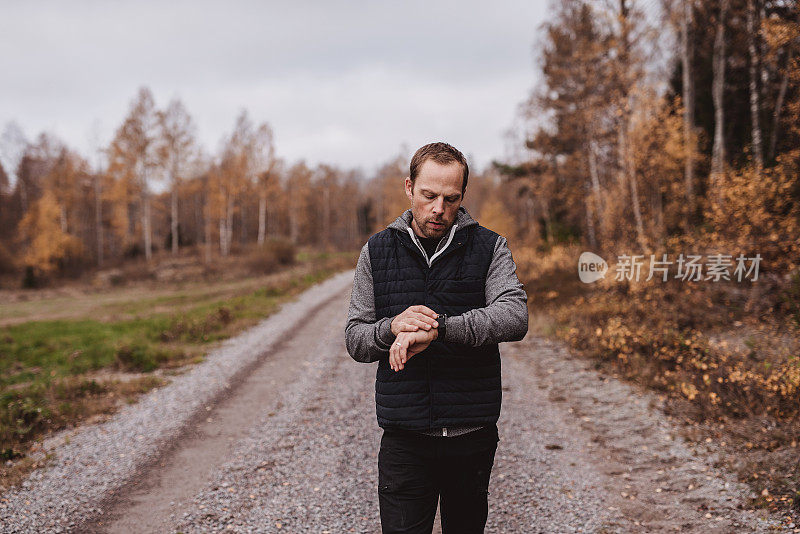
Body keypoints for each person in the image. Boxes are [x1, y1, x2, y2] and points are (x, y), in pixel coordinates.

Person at [345, 142, 528, 533]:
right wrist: (391, 327)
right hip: (404, 438)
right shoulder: (376, 252)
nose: (438, 209)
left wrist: (442, 327)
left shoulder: (490, 247)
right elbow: (356, 338)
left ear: (463, 195)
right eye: (429, 196)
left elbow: (514, 316)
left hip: (471, 435)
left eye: (451, 198)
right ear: (409, 187)